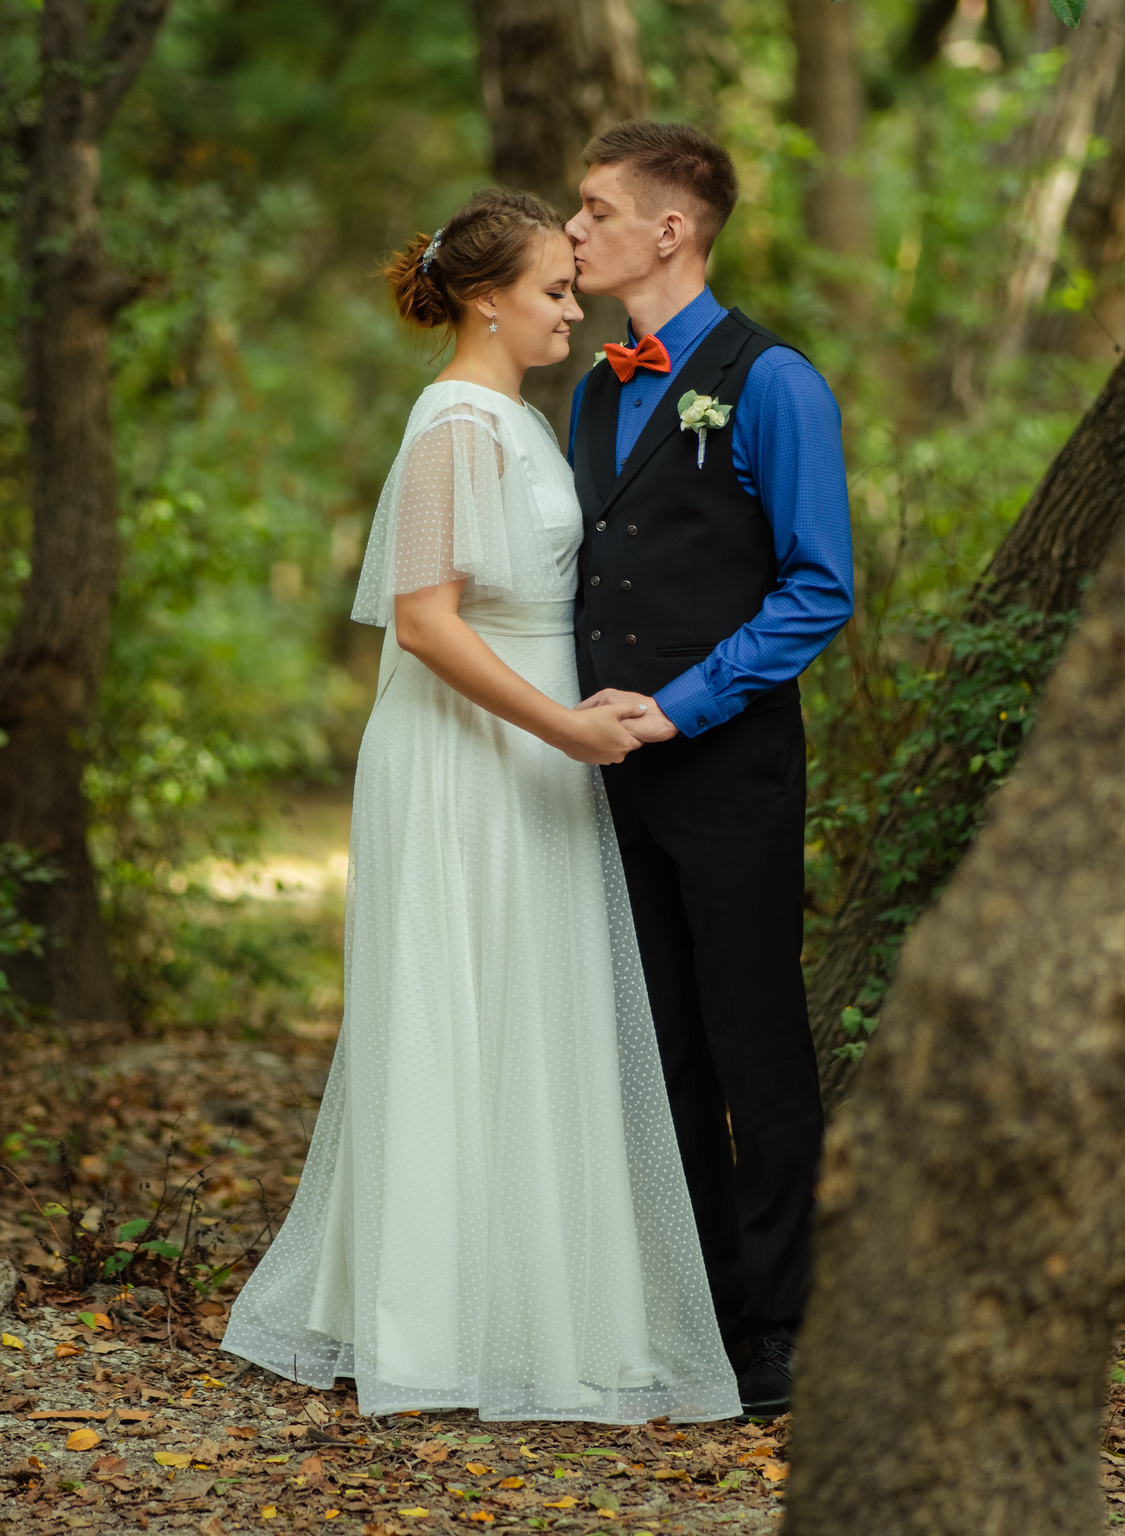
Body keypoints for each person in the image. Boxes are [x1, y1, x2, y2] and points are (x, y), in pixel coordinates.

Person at [222, 187, 740, 1425]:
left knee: (532, 1006)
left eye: (573, 288)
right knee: (464, 1001)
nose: (574, 307)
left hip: (535, 752)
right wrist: (562, 723)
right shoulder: (454, 421)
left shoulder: (516, 417)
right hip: (470, 752)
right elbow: (423, 618)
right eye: (554, 291)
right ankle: (436, 1319)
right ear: (484, 299)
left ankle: (533, 1297)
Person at [565, 122, 856, 1419]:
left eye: (594, 211)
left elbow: (819, 587)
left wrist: (680, 706)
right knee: (657, 1046)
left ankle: (781, 1326)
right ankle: (697, 1314)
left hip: (728, 770)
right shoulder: (594, 385)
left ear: (669, 229)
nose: (573, 233)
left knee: (755, 1046)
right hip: (604, 777)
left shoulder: (775, 379)